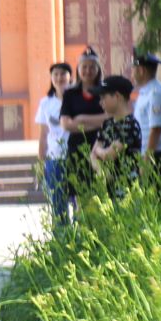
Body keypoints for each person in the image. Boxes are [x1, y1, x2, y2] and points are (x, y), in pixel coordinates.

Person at [58, 47, 107, 215]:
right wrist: (97, 123)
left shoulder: (104, 91)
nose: (88, 71)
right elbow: (66, 124)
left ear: (98, 69)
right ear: (78, 70)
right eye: (84, 67)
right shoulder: (71, 94)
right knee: (79, 198)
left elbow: (109, 119)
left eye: (92, 67)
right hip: (77, 150)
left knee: (100, 196)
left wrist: (81, 119)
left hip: (100, 149)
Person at [34, 62, 74, 219]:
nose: (59, 78)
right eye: (55, 74)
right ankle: (62, 239)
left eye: (63, 74)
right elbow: (43, 135)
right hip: (55, 159)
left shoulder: (76, 100)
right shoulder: (46, 103)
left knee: (79, 205)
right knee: (58, 206)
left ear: (70, 77)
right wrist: (40, 163)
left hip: (74, 157)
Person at [91, 74, 143, 187]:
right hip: (109, 188)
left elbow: (109, 155)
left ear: (117, 96)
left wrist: (99, 152)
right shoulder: (107, 123)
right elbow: (92, 155)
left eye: (103, 97)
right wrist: (102, 171)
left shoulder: (129, 124)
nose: (100, 102)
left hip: (127, 188)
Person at [132, 52, 161, 155]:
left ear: (141, 70)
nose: (132, 73)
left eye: (133, 69)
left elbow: (156, 129)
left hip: (154, 156)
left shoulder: (156, 94)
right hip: (144, 154)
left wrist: (146, 162)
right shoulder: (146, 92)